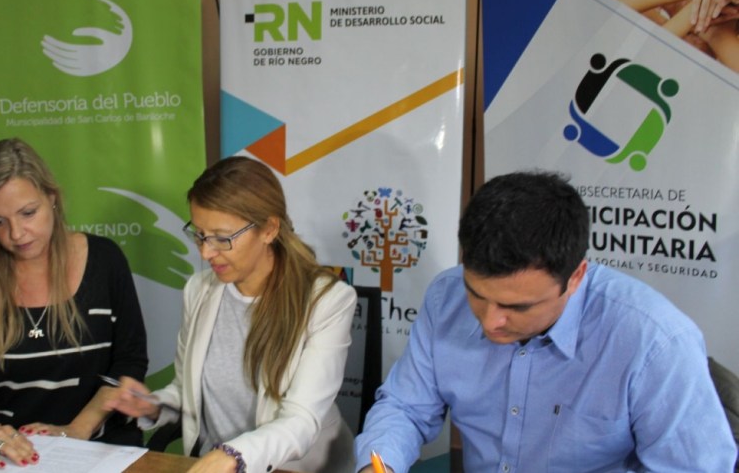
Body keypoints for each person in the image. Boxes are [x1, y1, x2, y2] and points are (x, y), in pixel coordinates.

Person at [354, 171, 737, 472]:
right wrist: (380, 463)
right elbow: (405, 408)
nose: (491, 322)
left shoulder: (654, 341)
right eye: (477, 294)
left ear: (576, 277)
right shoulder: (446, 297)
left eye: (517, 307)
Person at [0, 138, 147, 469]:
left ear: (52, 198)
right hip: (6, 456)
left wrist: (76, 431)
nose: (17, 234)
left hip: (100, 449)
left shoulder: (104, 261)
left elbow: (130, 363)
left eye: (28, 213)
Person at [105, 156, 357, 473]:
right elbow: (188, 392)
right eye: (199, 234)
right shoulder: (200, 290)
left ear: (269, 229)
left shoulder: (326, 301)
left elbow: (301, 420)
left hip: (298, 468)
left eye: (222, 238)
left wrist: (234, 455)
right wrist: (152, 407)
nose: (205, 252)